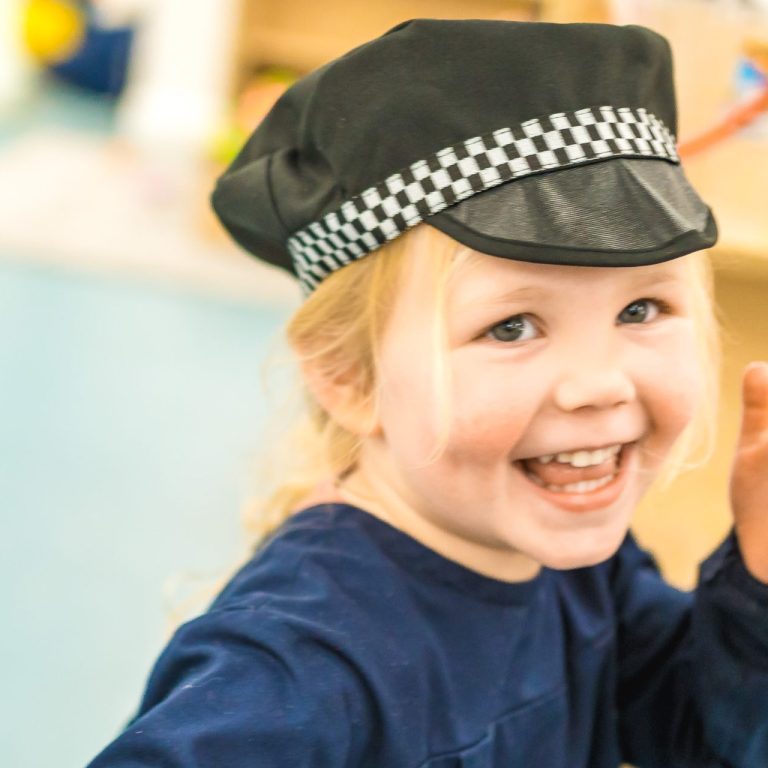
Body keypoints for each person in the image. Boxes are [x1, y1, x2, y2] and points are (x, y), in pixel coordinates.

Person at [86, 19, 768, 767]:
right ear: (350, 377)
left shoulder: (572, 562)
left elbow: (700, 735)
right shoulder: (295, 669)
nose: (599, 384)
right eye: (512, 326)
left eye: (640, 310)